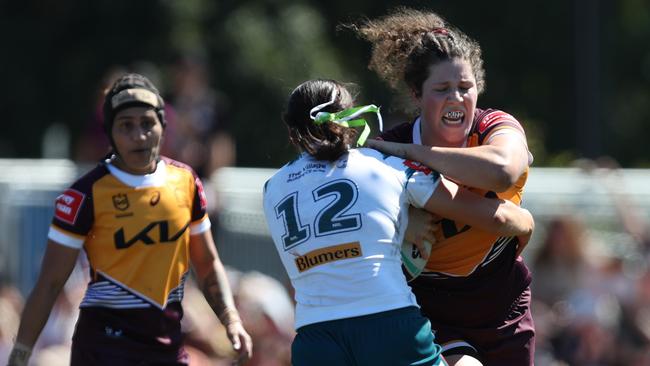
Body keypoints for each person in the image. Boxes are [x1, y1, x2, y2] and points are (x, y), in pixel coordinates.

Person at [262, 79, 534, 365]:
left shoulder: (271, 188)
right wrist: (525, 221)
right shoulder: (385, 165)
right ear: (351, 121)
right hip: (387, 321)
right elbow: (493, 216)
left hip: (314, 336)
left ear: (292, 133)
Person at [7, 73, 252, 366]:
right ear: (110, 133)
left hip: (167, 347)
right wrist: (20, 354)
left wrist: (231, 320)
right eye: (126, 126)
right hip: (104, 349)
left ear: (163, 126)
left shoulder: (186, 182)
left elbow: (208, 264)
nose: (139, 135)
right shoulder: (86, 194)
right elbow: (50, 283)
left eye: (148, 123)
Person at [352, 8, 535, 365]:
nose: (456, 98)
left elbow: (502, 172)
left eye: (465, 87)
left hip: (502, 299)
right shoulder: (384, 158)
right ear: (416, 95)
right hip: (431, 307)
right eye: (442, 89)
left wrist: (413, 154)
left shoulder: (494, 126)